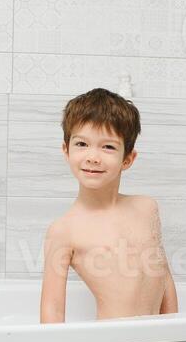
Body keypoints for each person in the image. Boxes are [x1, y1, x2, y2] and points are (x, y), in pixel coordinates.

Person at [39, 88, 178, 323]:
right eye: (82, 144)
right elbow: (52, 311)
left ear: (128, 159)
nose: (93, 156)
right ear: (66, 150)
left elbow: (163, 279)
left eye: (108, 147)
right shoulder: (64, 231)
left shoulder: (146, 208)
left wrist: (176, 334)